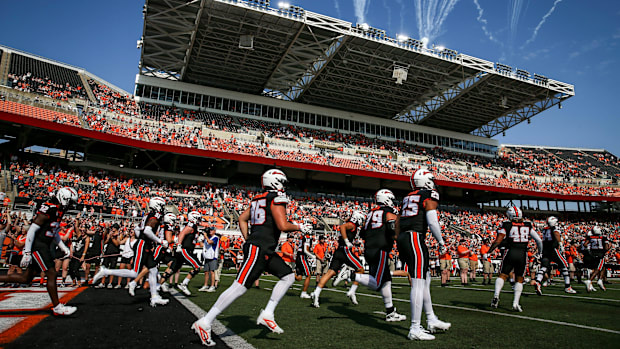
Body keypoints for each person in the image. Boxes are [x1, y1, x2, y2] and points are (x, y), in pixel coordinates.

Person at [192, 169, 312, 346]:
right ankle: (206, 321)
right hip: (260, 248)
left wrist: (248, 238)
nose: (285, 186)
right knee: (240, 286)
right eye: (283, 182)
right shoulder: (276, 198)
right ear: (276, 182)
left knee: (288, 276)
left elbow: (242, 218)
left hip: (264, 248)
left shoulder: (258, 198)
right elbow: (283, 225)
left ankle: (268, 313)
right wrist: (300, 227)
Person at [0, 187, 78, 315]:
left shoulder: (58, 210)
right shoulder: (49, 208)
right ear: (64, 199)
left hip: (44, 245)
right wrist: (27, 252)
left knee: (26, 278)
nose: (71, 206)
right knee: (51, 273)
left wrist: (64, 248)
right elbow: (32, 229)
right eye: (70, 202)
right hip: (38, 245)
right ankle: (57, 307)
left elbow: (54, 232)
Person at [396, 169, 451, 341]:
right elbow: (432, 221)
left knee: (425, 279)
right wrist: (441, 242)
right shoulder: (429, 194)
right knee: (419, 282)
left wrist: (399, 239)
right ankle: (415, 328)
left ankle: (431, 318)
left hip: (406, 237)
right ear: (426, 181)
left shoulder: (407, 197)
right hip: (414, 237)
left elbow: (398, 221)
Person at [93, 197, 170, 307]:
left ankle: (154, 296)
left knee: (153, 270)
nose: (163, 208)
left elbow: (137, 230)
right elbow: (147, 231)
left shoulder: (148, 215)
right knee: (135, 272)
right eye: (162, 206)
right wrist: (160, 241)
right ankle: (106, 272)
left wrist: (142, 239)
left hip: (144, 244)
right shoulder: (155, 216)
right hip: (143, 245)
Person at [349, 189, 406, 323]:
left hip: (370, 249)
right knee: (378, 284)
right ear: (387, 199)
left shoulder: (370, 214)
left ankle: (390, 312)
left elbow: (362, 233)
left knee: (386, 281)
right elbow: (393, 229)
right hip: (380, 250)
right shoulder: (387, 213)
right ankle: (352, 275)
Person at [487, 206, 543, 312]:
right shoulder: (528, 225)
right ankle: (515, 303)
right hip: (522, 254)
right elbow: (539, 240)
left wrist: (489, 252)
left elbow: (498, 241)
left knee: (503, 275)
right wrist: (540, 253)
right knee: (519, 279)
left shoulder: (506, 225)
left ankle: (496, 295)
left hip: (510, 252)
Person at [311, 210, 365, 305]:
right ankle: (350, 287)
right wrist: (347, 241)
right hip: (345, 251)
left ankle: (316, 292)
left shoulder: (351, 224)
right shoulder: (351, 225)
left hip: (338, 251)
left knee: (329, 273)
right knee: (360, 269)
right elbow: (342, 227)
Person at [534, 216, 577, 294]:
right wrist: (561, 244)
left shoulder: (544, 229)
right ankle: (568, 287)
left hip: (545, 250)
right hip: (553, 249)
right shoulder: (554, 228)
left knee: (544, 267)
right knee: (564, 266)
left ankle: (538, 281)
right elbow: (556, 234)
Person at [582, 226, 610, 292]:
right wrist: (606, 250)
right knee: (599, 268)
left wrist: (589, 249)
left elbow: (585, 244)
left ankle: (600, 280)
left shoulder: (590, 237)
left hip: (592, 254)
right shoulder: (603, 237)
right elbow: (606, 247)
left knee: (602, 267)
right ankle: (590, 280)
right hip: (600, 253)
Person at [297, 233, 315, 299]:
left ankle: (289, 273)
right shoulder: (307, 237)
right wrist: (313, 256)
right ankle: (303, 293)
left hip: (299, 256)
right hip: (302, 257)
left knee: (299, 277)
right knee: (308, 275)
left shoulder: (302, 236)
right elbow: (305, 250)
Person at [201, 227, 220, 292]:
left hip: (213, 256)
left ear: (214, 231)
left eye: (211, 230)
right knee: (206, 272)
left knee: (212, 271)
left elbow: (210, 242)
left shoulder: (215, 237)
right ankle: (205, 285)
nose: (210, 231)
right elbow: (203, 244)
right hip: (207, 256)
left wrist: (206, 236)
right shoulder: (208, 237)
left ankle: (212, 286)